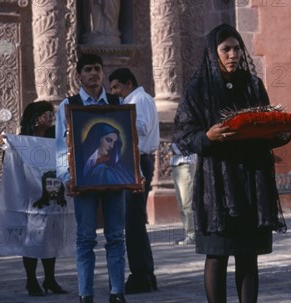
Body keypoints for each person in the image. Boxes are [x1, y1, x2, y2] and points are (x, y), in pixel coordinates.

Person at [173, 23, 289, 303]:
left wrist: (280, 131)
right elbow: (184, 135)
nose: (232, 54)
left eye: (237, 48)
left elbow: (264, 130)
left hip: (251, 179)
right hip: (217, 183)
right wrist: (208, 136)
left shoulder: (252, 85)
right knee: (218, 253)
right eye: (226, 49)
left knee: (248, 254)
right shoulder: (198, 89)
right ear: (214, 53)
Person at [55, 53, 127, 303]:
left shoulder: (118, 104)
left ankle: (117, 292)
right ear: (79, 75)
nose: (93, 73)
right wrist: (67, 177)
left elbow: (129, 143)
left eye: (97, 68)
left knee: (116, 236)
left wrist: (131, 172)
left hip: (116, 181)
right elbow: (61, 148)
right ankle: (86, 294)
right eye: (88, 69)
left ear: (103, 72)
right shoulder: (68, 105)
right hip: (83, 181)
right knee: (85, 239)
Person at [108, 67, 159, 293]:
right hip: (135, 161)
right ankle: (146, 273)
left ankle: (141, 275)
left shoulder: (139, 100)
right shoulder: (135, 100)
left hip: (138, 162)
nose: (114, 91)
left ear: (128, 83)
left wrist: (116, 123)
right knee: (135, 221)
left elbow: (142, 127)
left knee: (133, 222)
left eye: (116, 86)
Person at [18, 101, 68, 296]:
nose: (51, 116)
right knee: (33, 239)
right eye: (47, 113)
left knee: (51, 237)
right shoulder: (22, 141)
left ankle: (50, 279)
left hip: (54, 194)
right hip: (31, 196)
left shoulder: (54, 138)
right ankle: (31, 280)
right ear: (36, 118)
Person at [170, 143, 197, 245]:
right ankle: (188, 233)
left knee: (187, 202)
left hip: (186, 163)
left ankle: (192, 234)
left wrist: (174, 147)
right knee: (181, 203)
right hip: (176, 163)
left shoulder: (186, 127)